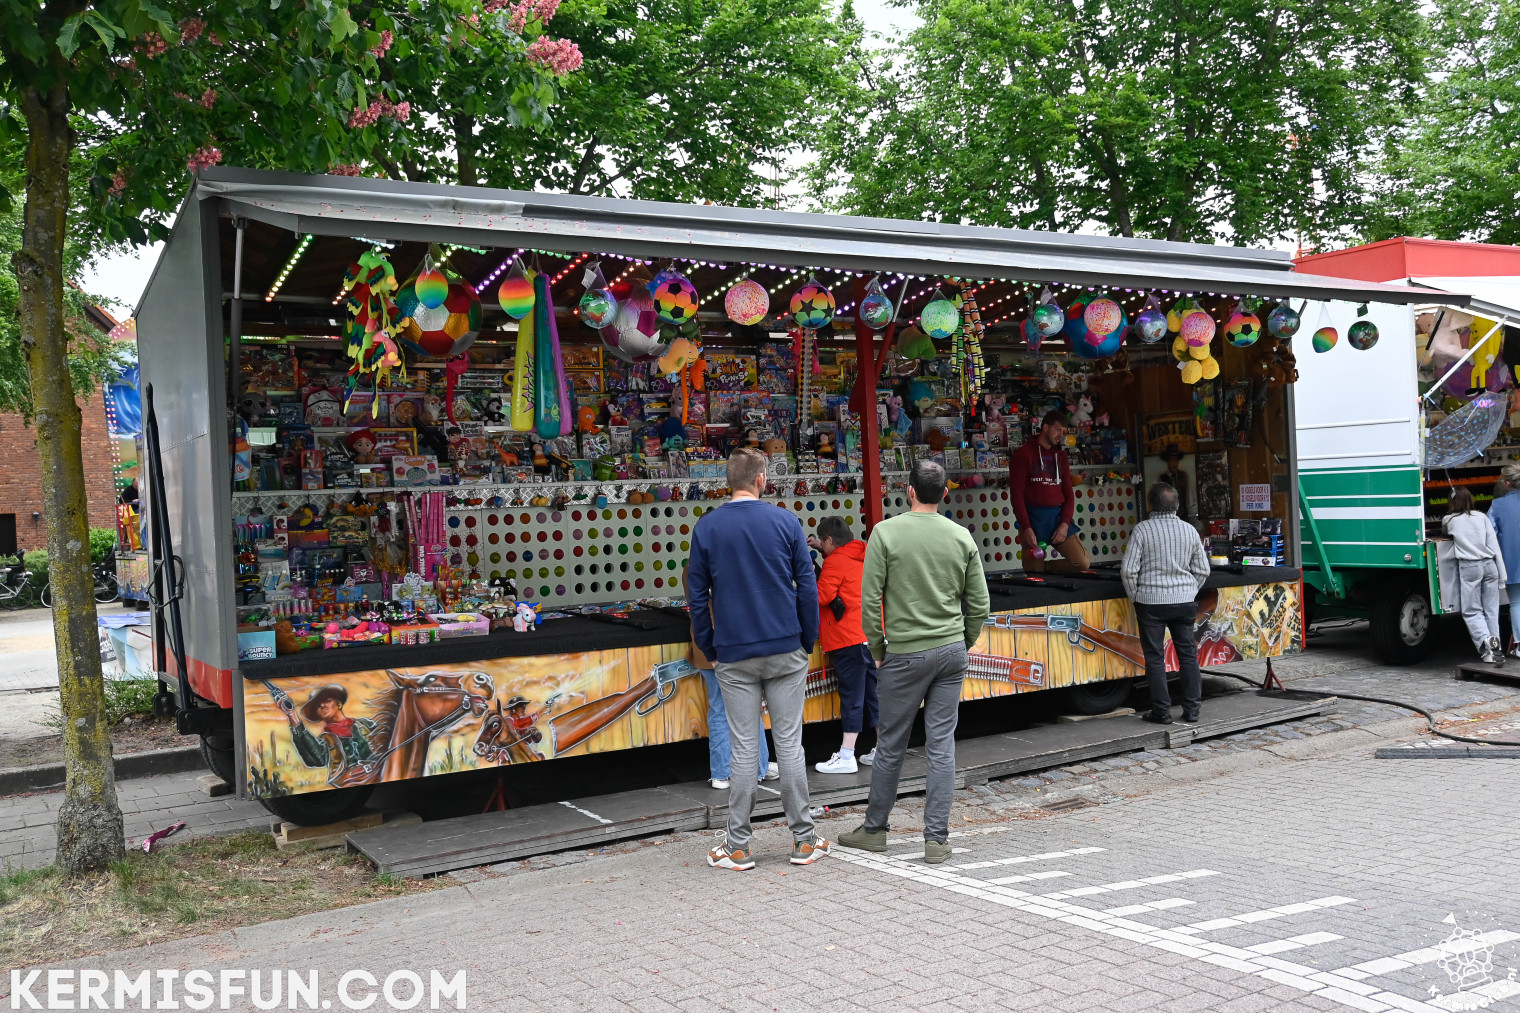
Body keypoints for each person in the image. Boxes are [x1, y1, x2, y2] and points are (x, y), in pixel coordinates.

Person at [840, 461, 989, 865]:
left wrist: (877, 649)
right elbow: (979, 603)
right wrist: (962, 641)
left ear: (908, 491)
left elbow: (870, 600)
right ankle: (936, 840)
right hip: (950, 650)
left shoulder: (885, 533)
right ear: (945, 494)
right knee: (941, 746)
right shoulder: (961, 536)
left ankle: (875, 830)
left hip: (903, 653)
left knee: (891, 745)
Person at [688, 447, 830, 870]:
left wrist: (710, 645)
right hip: (785, 646)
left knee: (744, 749)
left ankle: (737, 846)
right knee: (789, 745)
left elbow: (696, 596)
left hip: (734, 652)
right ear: (762, 480)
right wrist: (807, 638)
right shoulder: (785, 522)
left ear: (728, 481)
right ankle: (804, 840)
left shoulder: (707, 528)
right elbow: (807, 585)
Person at [1121, 483, 1211, 724]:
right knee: (1188, 656)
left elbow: (1128, 570)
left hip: (1150, 603)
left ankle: (1161, 712)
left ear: (1150, 504)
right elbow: (1203, 569)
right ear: (1177, 506)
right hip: (1184, 603)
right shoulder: (1189, 530)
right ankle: (1192, 710)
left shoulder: (1142, 530)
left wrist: (1135, 596)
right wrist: (1188, 591)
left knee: (1155, 658)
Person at [682, 563, 776, 789]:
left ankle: (722, 772)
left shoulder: (690, 567)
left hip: (706, 648)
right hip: (730, 646)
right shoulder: (722, 563)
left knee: (719, 709)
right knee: (748, 706)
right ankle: (757, 767)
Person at [807, 516, 878, 774]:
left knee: (851, 697)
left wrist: (808, 574)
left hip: (847, 638)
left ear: (829, 540)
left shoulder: (835, 561)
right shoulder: (863, 554)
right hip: (870, 635)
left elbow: (822, 596)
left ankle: (847, 756)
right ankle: (884, 750)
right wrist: (821, 551)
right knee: (873, 695)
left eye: (822, 542)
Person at [1010, 409, 1090, 571]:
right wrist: (1026, 527)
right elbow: (1016, 496)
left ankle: (1046, 568)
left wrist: (1065, 525)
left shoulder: (1061, 457)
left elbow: (1069, 495)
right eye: (1058, 430)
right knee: (1034, 573)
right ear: (1045, 427)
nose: (1061, 435)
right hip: (1032, 520)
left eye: (1063, 431)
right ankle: (1039, 569)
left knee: (1082, 563)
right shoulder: (1022, 454)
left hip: (1057, 518)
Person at [1445, 486, 1508, 665]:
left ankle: (1485, 640)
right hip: (1490, 565)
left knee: (1472, 611)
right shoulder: (1482, 517)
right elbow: (1494, 545)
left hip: (1470, 566)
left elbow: (1444, 532)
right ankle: (1494, 651)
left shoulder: (1449, 520)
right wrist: (1502, 575)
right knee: (1491, 610)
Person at [1486, 464, 1520, 658]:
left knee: (1516, 602)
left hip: (1512, 561)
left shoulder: (1497, 506)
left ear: (1507, 483)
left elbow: (1489, 532)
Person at [1157, 445, 1191, 519]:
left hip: (1184, 517)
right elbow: (1159, 500)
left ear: (1178, 461)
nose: (1173, 463)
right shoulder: (1162, 478)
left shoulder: (1184, 476)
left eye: (1175, 459)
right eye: (1171, 460)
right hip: (1167, 517)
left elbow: (1190, 498)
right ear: (1167, 461)